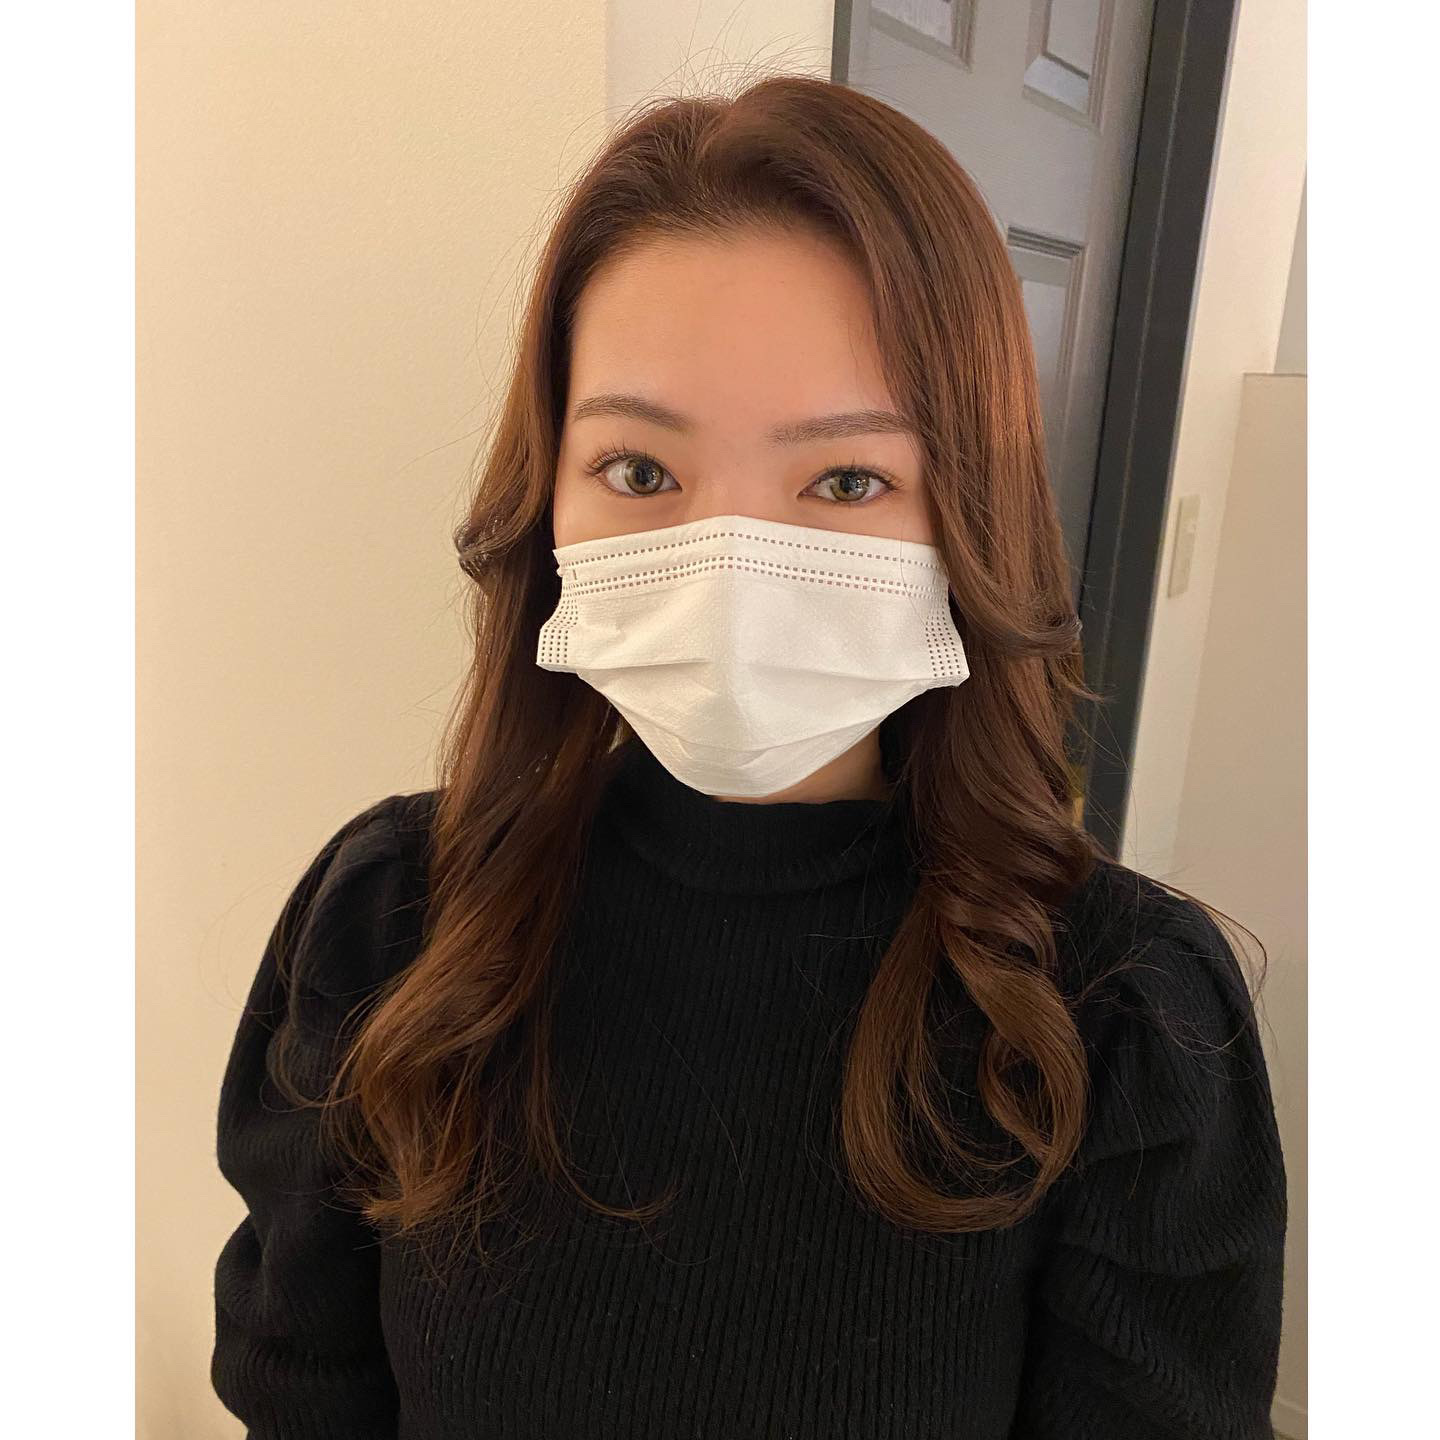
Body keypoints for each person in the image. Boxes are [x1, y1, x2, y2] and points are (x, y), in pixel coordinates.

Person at [210, 74, 1286, 1439]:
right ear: (546, 501)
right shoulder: (385, 923)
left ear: (969, 518)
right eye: (640, 472)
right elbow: (301, 1399)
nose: (730, 563)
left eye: (846, 481)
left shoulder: (1127, 1019)